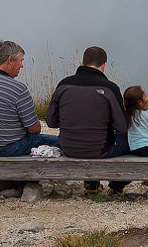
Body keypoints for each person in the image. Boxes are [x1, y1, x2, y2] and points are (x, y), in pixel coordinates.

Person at [46, 46, 129, 193]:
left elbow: (51, 122)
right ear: (104, 65)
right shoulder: (110, 88)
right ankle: (116, 187)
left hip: (68, 148)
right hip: (99, 150)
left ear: (82, 62)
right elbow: (122, 126)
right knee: (131, 141)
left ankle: (92, 186)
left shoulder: (63, 85)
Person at [0, 40, 59, 156]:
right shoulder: (18, 89)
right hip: (7, 148)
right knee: (58, 141)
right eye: (21, 61)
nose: (22, 65)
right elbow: (34, 129)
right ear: (10, 60)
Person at [123, 85, 148, 157]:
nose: (147, 97)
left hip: (137, 149)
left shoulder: (127, 116)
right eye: (145, 96)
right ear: (140, 102)